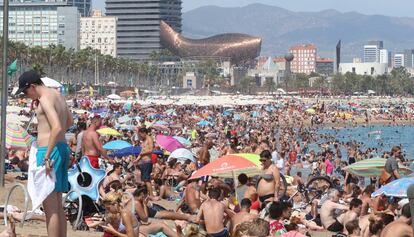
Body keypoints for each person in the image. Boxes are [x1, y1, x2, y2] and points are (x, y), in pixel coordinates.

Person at [16, 70, 73, 237]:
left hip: (49, 151)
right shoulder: (57, 95)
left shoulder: (45, 98)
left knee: (50, 208)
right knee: (57, 205)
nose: (26, 96)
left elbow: (56, 126)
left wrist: (47, 155)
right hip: (61, 148)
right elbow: (68, 121)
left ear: (33, 86)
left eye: (26, 92)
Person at [133, 127, 154, 197]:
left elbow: (151, 150)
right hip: (143, 162)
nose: (140, 136)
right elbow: (141, 152)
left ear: (144, 133)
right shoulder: (144, 141)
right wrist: (137, 160)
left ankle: (151, 195)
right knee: (144, 180)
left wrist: (142, 154)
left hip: (147, 161)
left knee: (147, 180)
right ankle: (147, 194)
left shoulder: (149, 139)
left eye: (140, 134)